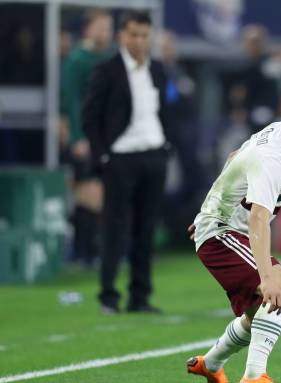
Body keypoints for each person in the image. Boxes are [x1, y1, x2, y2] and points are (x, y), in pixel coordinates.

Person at [186, 81, 281, 383]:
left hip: (223, 228)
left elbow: (234, 157)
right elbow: (258, 218)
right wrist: (266, 276)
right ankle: (255, 377)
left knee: (259, 311)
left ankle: (210, 364)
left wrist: (210, 207)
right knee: (279, 288)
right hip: (224, 234)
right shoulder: (274, 159)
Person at [82, 10, 172, 314]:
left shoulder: (157, 69)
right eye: (133, 34)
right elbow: (90, 116)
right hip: (120, 158)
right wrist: (103, 156)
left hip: (153, 155)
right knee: (114, 227)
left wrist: (166, 147)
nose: (139, 41)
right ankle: (108, 295)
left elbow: (165, 111)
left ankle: (140, 296)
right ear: (122, 35)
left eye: (144, 35)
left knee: (146, 229)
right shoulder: (107, 70)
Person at [60, 9, 113, 266]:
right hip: (86, 137)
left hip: (105, 137)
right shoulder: (77, 60)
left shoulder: (109, 58)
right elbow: (70, 99)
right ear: (88, 29)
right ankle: (83, 252)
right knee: (87, 193)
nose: (106, 32)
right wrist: (77, 136)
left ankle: (91, 251)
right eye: (101, 27)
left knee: (100, 193)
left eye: (108, 27)